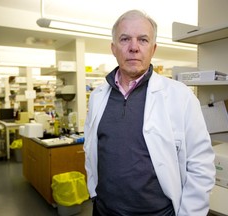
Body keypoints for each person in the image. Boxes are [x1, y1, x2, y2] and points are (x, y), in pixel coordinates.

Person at [83, 9, 215, 216]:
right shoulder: (98, 96)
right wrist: (94, 193)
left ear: (153, 49)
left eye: (143, 40)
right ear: (113, 48)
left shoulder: (181, 96)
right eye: (125, 39)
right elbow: (91, 150)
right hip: (104, 210)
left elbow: (201, 164)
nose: (134, 47)